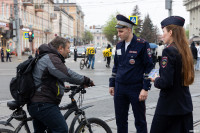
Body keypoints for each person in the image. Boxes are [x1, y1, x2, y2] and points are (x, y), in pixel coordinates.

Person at [27, 36, 94, 133]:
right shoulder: (51, 58)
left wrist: (61, 86)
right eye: (68, 48)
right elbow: (67, 74)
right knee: (61, 129)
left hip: (37, 103)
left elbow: (46, 79)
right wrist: (86, 80)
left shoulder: (47, 56)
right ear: (60, 48)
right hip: (43, 104)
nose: (69, 51)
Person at [109, 14, 153, 133]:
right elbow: (116, 66)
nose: (118, 34)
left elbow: (149, 67)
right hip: (119, 88)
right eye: (118, 31)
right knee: (120, 121)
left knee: (140, 121)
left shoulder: (142, 44)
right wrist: (112, 84)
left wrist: (145, 88)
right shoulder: (119, 45)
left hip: (136, 88)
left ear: (129, 30)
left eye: (121, 31)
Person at [150, 16, 194, 133]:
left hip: (169, 108)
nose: (162, 35)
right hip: (184, 106)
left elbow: (166, 82)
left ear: (170, 32)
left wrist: (155, 79)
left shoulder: (168, 51)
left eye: (163, 31)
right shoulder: (185, 50)